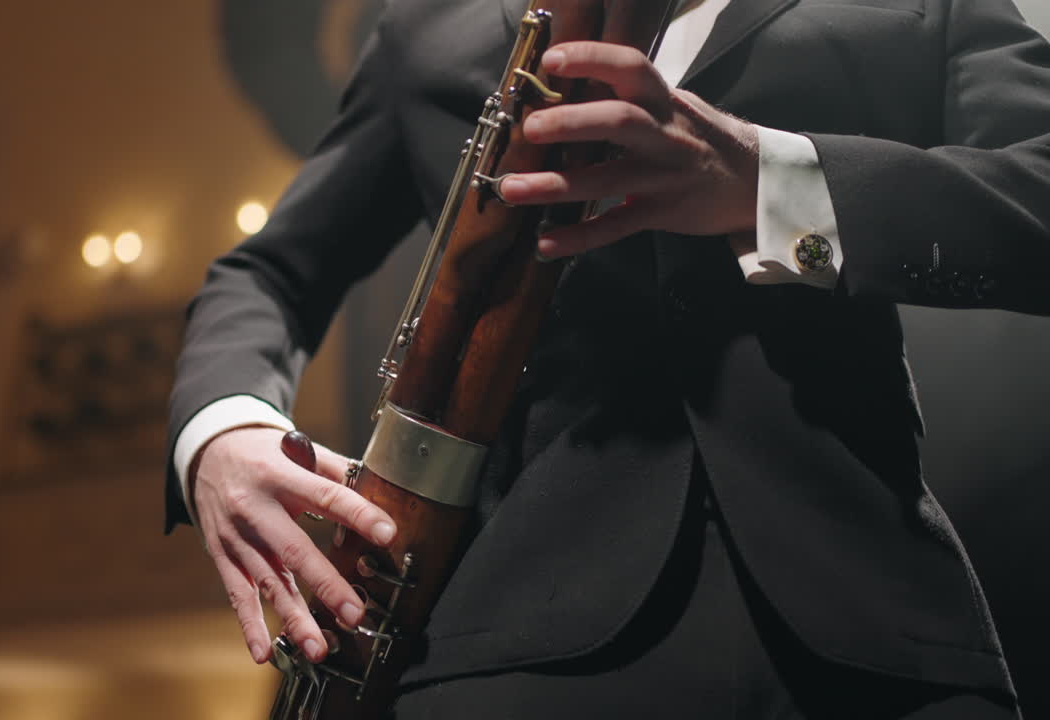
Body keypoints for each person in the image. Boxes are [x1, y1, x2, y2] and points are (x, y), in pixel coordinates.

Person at [167, 0, 1050, 716]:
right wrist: (220, 433)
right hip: (508, 648)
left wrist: (774, 186)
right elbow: (271, 271)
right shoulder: (428, 28)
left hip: (882, 637)